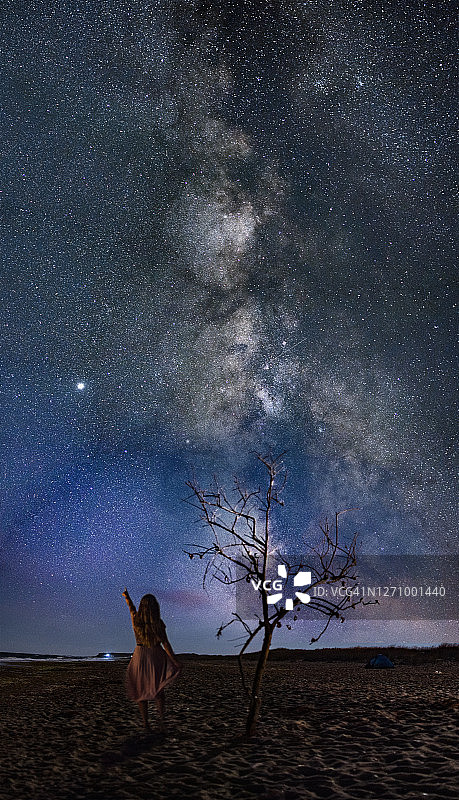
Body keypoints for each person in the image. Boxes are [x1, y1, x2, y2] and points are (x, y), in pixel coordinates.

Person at [122, 587, 182, 732]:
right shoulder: (158, 623)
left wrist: (127, 597)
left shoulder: (136, 620)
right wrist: (175, 661)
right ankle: (161, 721)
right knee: (158, 691)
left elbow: (131, 607)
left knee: (141, 692)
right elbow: (166, 644)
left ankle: (145, 723)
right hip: (156, 656)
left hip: (140, 657)